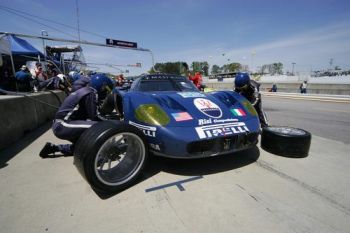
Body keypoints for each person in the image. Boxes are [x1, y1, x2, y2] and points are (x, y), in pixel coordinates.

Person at [39, 74, 114, 158]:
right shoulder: (91, 92)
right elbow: (95, 116)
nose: (106, 93)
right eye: (106, 89)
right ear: (102, 86)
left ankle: (54, 148)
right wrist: (112, 123)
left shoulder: (84, 90)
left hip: (61, 124)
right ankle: (101, 156)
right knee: (98, 126)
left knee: (84, 147)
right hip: (63, 125)